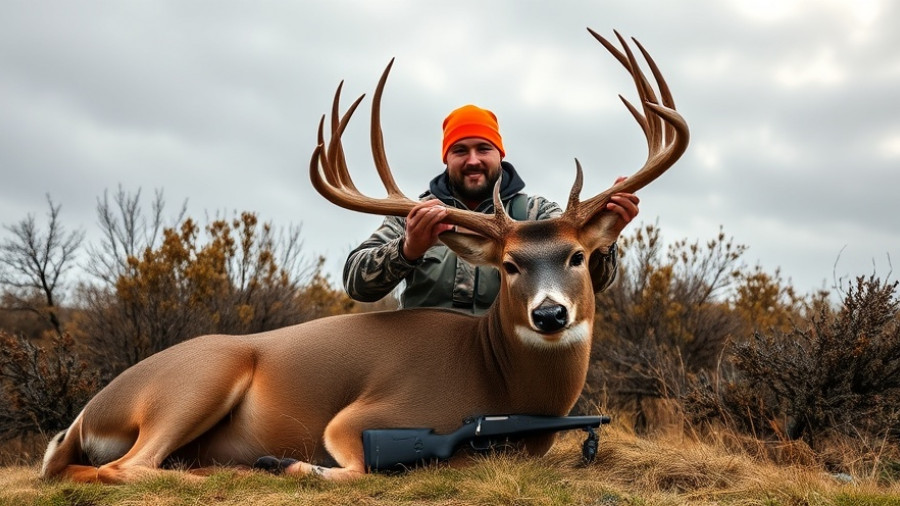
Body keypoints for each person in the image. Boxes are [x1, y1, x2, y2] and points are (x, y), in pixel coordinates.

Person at [342, 104, 639, 314]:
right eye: (460, 150)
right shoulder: (416, 218)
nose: (473, 160)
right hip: (424, 360)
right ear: (447, 158)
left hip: (507, 364)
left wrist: (604, 241)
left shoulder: (537, 216)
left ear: (500, 154)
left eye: (483, 148)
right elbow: (356, 284)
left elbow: (594, 282)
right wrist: (407, 249)